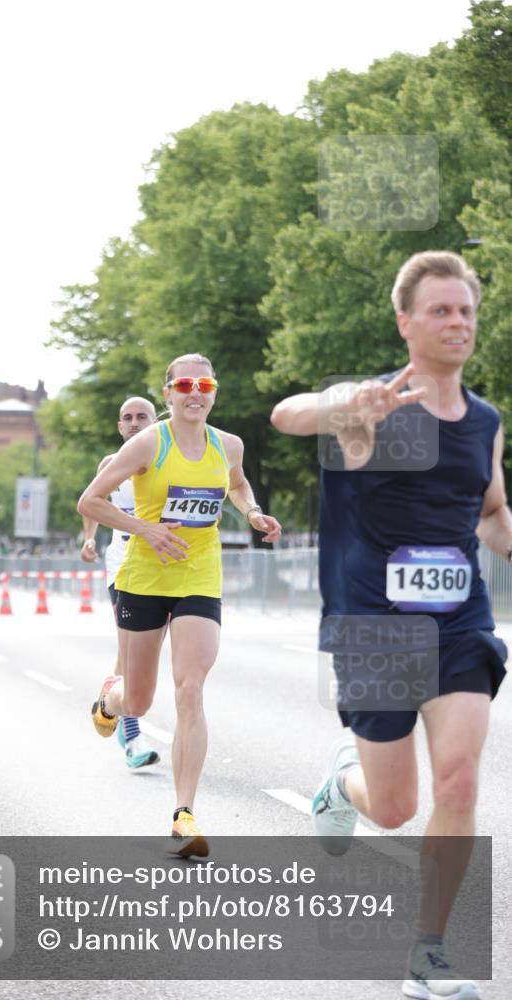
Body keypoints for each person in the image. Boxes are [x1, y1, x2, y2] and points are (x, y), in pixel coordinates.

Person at [271, 251, 511, 1000]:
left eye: (465, 310)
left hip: (457, 621)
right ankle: (342, 785)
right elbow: (288, 414)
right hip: (372, 623)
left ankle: (429, 953)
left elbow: (492, 513)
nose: (456, 322)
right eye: (439, 310)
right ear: (404, 322)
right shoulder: (368, 399)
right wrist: (344, 410)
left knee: (460, 779)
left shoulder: (484, 421)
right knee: (397, 806)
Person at [78, 353, 282, 857]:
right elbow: (91, 502)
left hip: (199, 573)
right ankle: (110, 702)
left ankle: (184, 815)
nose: (196, 392)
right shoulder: (150, 441)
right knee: (141, 700)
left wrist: (252, 512)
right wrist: (145, 528)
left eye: (205, 384)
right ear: (168, 393)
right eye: (185, 384)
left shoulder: (228, 445)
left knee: (190, 689)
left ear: (214, 391)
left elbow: (235, 484)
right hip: (145, 575)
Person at [80, 396, 161, 769]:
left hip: (166, 565)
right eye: (126, 417)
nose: (133, 422)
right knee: (131, 650)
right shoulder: (111, 465)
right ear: (119, 426)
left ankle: (108, 700)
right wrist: (89, 538)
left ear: (155, 420)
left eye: (141, 416)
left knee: (145, 653)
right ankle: (132, 739)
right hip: (125, 564)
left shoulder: (169, 463)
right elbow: (93, 503)